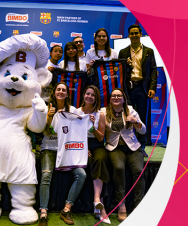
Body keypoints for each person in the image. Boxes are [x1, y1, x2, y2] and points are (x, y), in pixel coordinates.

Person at [38, 82, 87, 226]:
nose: (60, 92)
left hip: (67, 150)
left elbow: (79, 131)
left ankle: (66, 209)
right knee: (46, 175)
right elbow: (46, 132)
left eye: (63, 90)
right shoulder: (47, 108)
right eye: (58, 89)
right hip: (48, 147)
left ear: (67, 94)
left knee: (82, 174)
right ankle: (43, 212)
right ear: (54, 92)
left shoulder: (73, 110)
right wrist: (49, 117)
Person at [100, 88, 146, 222]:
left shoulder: (130, 110)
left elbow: (143, 131)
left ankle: (139, 206)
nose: (116, 97)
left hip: (132, 147)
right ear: (110, 99)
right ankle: (121, 206)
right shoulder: (103, 112)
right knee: (119, 168)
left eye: (119, 95)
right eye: (113, 95)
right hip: (114, 148)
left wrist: (136, 122)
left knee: (138, 170)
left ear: (123, 98)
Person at [71, 85, 110, 224]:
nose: (89, 96)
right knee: (89, 161)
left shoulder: (100, 114)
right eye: (87, 94)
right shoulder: (76, 112)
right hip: (81, 143)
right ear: (83, 95)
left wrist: (92, 126)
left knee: (99, 160)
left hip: (96, 144)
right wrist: (81, 147)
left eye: (92, 95)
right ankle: (100, 206)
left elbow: (100, 138)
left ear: (96, 98)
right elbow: (72, 133)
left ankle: (97, 199)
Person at [118, 24, 157, 157]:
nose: (134, 35)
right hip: (128, 88)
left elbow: (153, 71)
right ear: (129, 35)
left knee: (142, 117)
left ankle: (142, 146)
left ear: (141, 34)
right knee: (127, 116)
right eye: (132, 33)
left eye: (136, 33)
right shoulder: (123, 52)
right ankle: (127, 144)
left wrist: (152, 88)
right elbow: (120, 72)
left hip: (142, 88)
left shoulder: (149, 51)